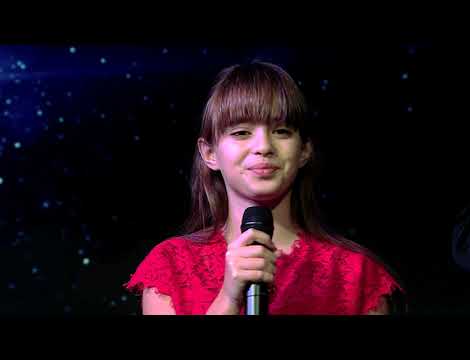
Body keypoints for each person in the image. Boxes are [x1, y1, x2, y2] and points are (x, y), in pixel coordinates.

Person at [124, 61, 405, 315]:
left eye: (281, 131)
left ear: (304, 150)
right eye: (241, 132)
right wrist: (228, 299)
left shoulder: (357, 275)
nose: (263, 147)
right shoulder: (171, 265)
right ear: (209, 153)